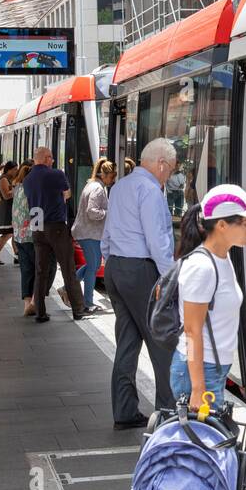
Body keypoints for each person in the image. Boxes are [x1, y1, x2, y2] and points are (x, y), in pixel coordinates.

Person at [136, 183, 246, 490]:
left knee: (198, 452)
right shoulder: (201, 265)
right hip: (200, 373)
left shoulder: (222, 259)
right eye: (244, 222)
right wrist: (198, 388)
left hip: (211, 371)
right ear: (221, 225)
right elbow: (192, 331)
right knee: (204, 455)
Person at [101, 138, 179, 429]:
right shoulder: (150, 191)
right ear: (160, 163)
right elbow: (157, 242)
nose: (168, 176)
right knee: (163, 342)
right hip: (139, 271)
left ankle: (124, 411)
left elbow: (107, 234)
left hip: (117, 268)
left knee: (127, 342)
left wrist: (112, 262)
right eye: (169, 170)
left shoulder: (120, 186)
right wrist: (172, 282)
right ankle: (168, 415)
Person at [23, 146, 85, 322]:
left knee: (40, 271)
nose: (52, 161)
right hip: (55, 225)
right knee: (68, 268)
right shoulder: (56, 174)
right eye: (50, 157)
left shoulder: (27, 179)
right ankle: (78, 309)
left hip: (37, 226)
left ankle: (40, 312)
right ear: (45, 158)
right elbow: (67, 193)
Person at [67, 158, 116, 314]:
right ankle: (87, 302)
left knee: (92, 265)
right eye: (112, 176)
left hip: (87, 232)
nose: (113, 179)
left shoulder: (93, 185)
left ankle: (67, 288)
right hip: (90, 233)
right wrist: (109, 213)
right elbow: (92, 211)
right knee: (93, 267)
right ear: (104, 174)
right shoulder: (98, 188)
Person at [9, 160, 37, 316]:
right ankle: (34, 301)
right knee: (40, 269)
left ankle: (27, 304)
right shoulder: (32, 190)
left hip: (19, 236)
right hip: (32, 236)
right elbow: (37, 212)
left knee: (26, 271)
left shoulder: (17, 188)